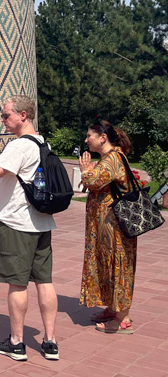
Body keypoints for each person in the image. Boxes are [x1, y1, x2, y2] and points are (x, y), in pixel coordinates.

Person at [0, 95, 59, 362]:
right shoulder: (42, 142)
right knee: (44, 281)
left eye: (6, 115)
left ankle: (17, 343)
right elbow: (16, 172)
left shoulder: (19, 145)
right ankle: (50, 342)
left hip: (18, 224)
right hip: (41, 222)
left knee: (17, 283)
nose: (3, 120)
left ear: (23, 115)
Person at [78, 119, 137, 335]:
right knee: (107, 265)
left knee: (118, 267)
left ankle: (122, 319)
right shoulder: (109, 158)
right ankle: (113, 309)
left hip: (116, 228)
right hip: (106, 227)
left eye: (89, 136)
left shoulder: (113, 158)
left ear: (102, 138)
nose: (86, 140)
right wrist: (91, 172)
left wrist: (86, 171)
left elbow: (93, 181)